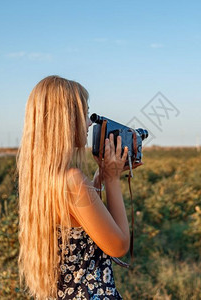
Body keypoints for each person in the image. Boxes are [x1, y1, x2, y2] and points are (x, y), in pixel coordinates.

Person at [17, 75, 141, 299]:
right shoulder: (73, 181)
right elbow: (119, 245)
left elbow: (79, 224)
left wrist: (101, 177)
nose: (90, 122)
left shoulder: (43, 180)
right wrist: (113, 180)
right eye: (84, 113)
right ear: (66, 119)